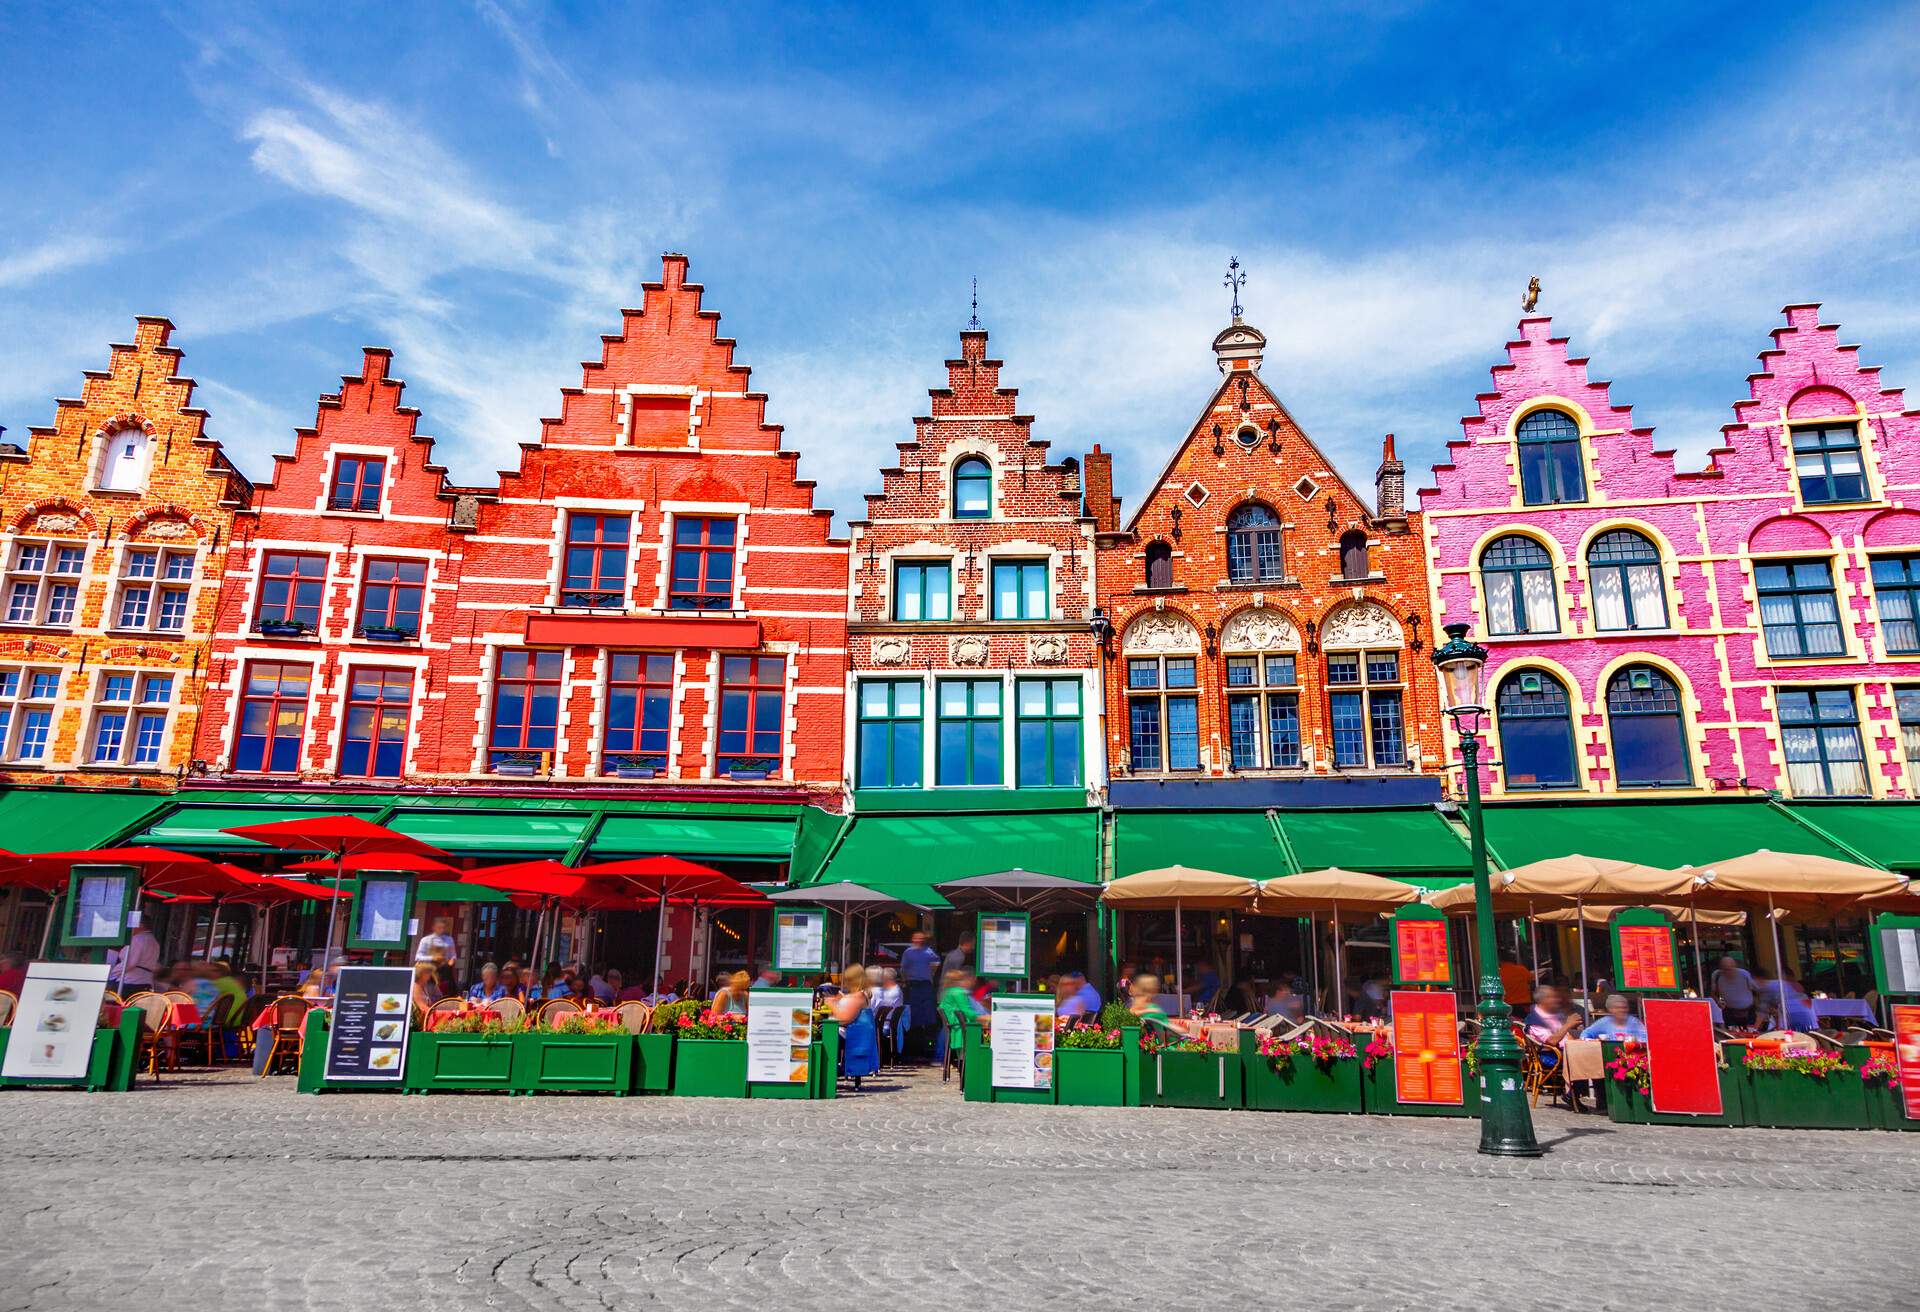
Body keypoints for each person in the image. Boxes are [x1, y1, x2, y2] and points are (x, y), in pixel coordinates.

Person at [834, 963, 880, 1086]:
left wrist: (831, 1004)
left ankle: (832, 1068)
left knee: (829, 1035)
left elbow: (845, 1019)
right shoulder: (863, 994)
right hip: (858, 1033)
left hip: (855, 1035)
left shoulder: (858, 996)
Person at [899, 931, 941, 1062]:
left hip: (926, 985)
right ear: (913, 939)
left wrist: (931, 975)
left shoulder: (928, 951)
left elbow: (936, 963)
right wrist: (905, 982)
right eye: (917, 938)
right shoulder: (908, 952)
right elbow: (903, 969)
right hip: (913, 985)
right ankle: (915, 1047)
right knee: (914, 1016)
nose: (919, 940)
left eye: (921, 938)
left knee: (928, 1016)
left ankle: (926, 1047)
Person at [106, 923, 160, 991]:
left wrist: (112, 975)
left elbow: (129, 963)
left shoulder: (138, 939)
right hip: (146, 981)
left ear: (140, 925)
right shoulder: (153, 941)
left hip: (130, 981)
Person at [1581, 992, 1649, 1043]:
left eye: (1624, 1007)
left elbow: (1646, 1039)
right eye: (1617, 1008)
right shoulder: (1604, 1022)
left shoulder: (1634, 1022)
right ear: (1610, 1010)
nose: (1621, 1010)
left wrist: (1636, 1040)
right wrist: (1593, 1041)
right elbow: (1585, 1034)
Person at [1710, 956, 1757, 1026]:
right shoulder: (1717, 975)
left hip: (1748, 1012)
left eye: (1730, 969)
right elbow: (1716, 993)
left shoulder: (1744, 974)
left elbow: (1755, 990)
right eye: (1725, 969)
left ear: (1735, 966)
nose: (1728, 972)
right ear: (1721, 968)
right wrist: (1720, 1002)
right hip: (1729, 1013)